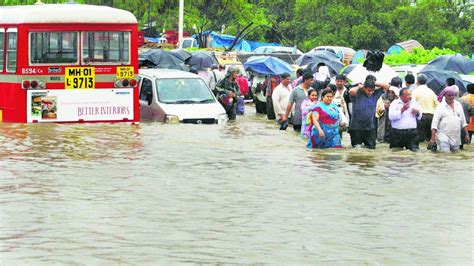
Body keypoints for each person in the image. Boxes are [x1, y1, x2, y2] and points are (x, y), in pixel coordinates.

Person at [348, 76, 387, 149]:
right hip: (356, 127)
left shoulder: (375, 95)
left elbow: (387, 86)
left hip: (370, 127)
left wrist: (374, 83)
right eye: (369, 90)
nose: (371, 92)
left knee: (371, 148)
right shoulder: (357, 94)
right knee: (356, 148)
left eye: (372, 90)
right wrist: (360, 86)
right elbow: (351, 91)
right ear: (364, 88)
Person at [430, 86, 470, 152]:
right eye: (449, 95)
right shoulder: (440, 106)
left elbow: (463, 121)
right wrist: (433, 137)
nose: (451, 97)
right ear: (444, 95)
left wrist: (467, 134)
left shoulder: (458, 105)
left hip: (456, 137)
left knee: (455, 157)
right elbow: (434, 123)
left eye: (453, 95)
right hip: (443, 137)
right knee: (446, 155)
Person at [412, 74, 438, 142]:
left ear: (417, 81)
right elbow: (437, 104)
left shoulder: (415, 91)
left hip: (421, 116)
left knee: (420, 139)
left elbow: (412, 104)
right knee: (429, 139)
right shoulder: (431, 92)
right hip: (431, 116)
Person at [376, 77, 402, 143]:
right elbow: (378, 111)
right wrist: (383, 108)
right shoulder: (382, 97)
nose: (390, 94)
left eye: (392, 92)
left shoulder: (400, 98)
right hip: (384, 124)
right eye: (389, 92)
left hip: (395, 125)